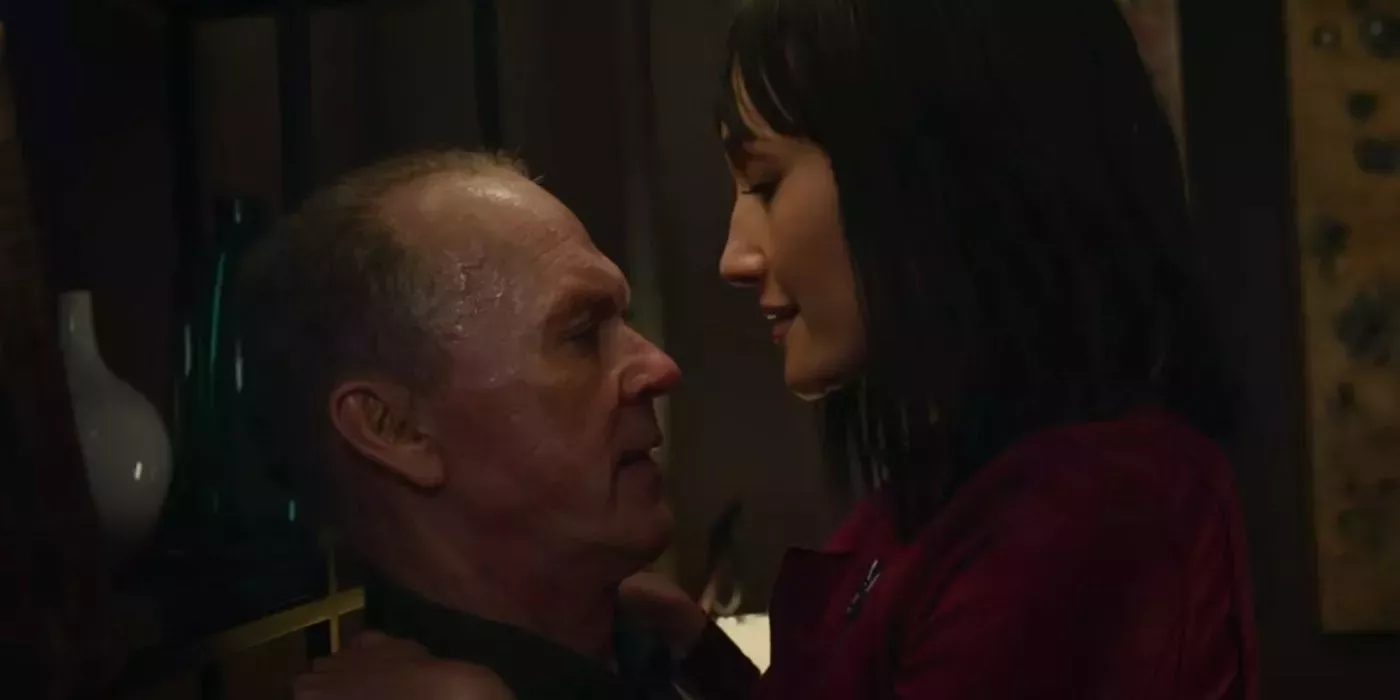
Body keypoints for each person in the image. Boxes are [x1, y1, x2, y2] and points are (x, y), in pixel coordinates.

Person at [300, 0, 1262, 696]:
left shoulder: (1083, 513)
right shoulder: (960, 477)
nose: (735, 254)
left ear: (935, 179)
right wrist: (703, 654)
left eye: (764, 183)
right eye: (578, 336)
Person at [235, 151, 691, 700]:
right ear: (394, 428)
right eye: (579, 334)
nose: (660, 367)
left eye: (623, 321)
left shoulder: (672, 651)